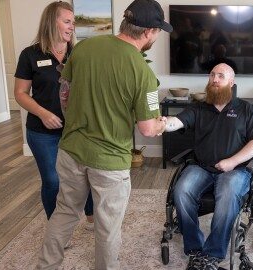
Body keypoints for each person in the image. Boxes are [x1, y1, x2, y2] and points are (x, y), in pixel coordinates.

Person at [36, 0, 172, 269]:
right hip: (109, 161)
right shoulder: (143, 72)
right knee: (107, 227)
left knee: (64, 211)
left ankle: (45, 266)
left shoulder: (85, 47)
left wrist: (78, 118)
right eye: (158, 32)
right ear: (148, 32)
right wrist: (162, 123)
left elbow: (65, 92)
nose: (156, 37)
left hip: (71, 148)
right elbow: (147, 128)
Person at [163, 63, 253, 270]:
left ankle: (213, 254)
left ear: (231, 82)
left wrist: (232, 162)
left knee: (227, 194)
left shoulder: (245, 109)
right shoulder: (199, 108)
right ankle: (195, 249)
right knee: (181, 191)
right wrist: (163, 123)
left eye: (221, 76)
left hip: (234, 170)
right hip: (201, 167)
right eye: (212, 75)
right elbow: (177, 122)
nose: (215, 79)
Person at [14, 1, 94, 226]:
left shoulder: (78, 53)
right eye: (67, 22)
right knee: (52, 181)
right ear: (52, 22)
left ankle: (91, 215)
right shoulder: (30, 55)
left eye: (73, 23)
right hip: (42, 131)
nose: (72, 27)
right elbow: (20, 93)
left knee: (85, 176)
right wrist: (43, 114)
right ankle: (56, 227)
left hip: (76, 129)